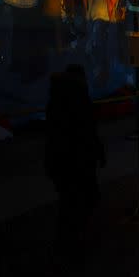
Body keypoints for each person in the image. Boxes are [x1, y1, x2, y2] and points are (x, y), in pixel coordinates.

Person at [45, 64, 106, 264]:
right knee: (80, 200)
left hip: (63, 160)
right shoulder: (79, 98)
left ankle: (68, 241)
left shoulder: (56, 99)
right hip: (78, 159)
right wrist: (97, 152)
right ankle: (71, 242)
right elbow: (87, 130)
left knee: (69, 201)